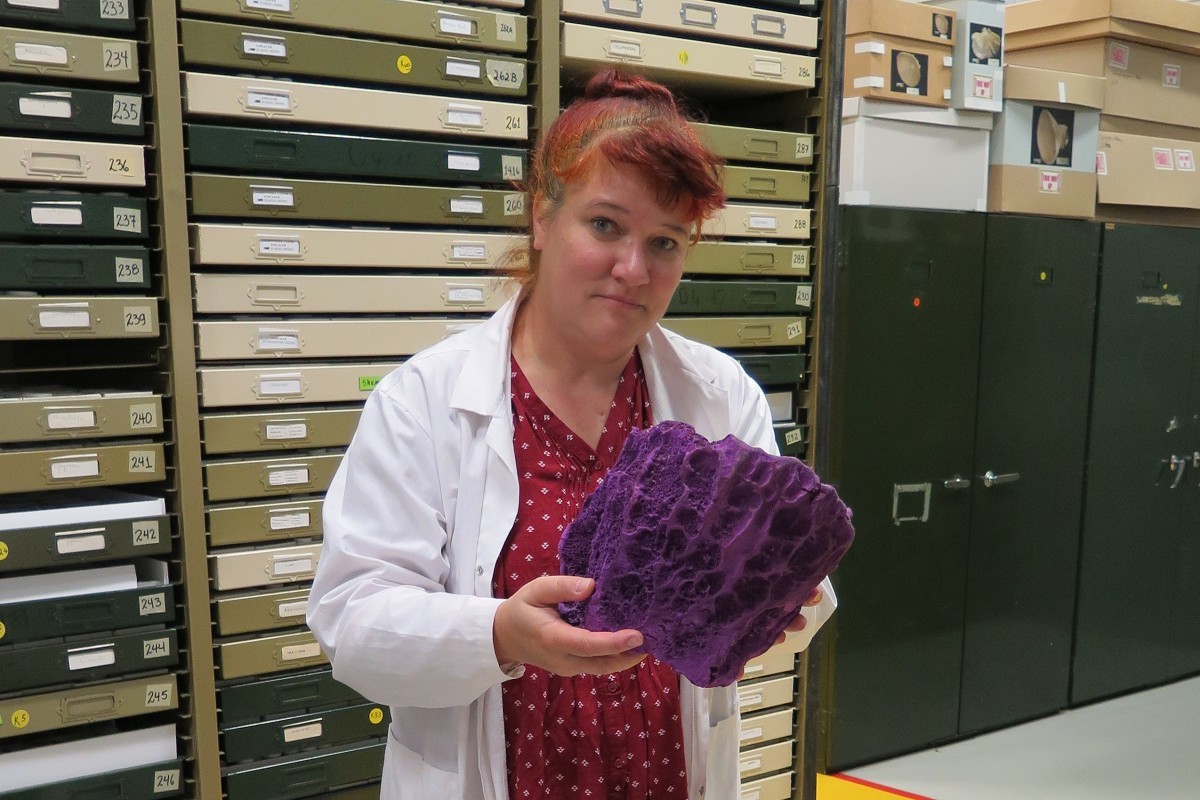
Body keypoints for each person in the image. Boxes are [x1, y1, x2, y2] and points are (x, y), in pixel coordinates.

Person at [308, 69, 837, 800]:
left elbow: (797, 592)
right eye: (606, 225)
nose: (632, 269)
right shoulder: (423, 403)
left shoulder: (718, 398)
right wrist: (501, 635)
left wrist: (779, 601)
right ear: (541, 217)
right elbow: (352, 624)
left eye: (665, 242)